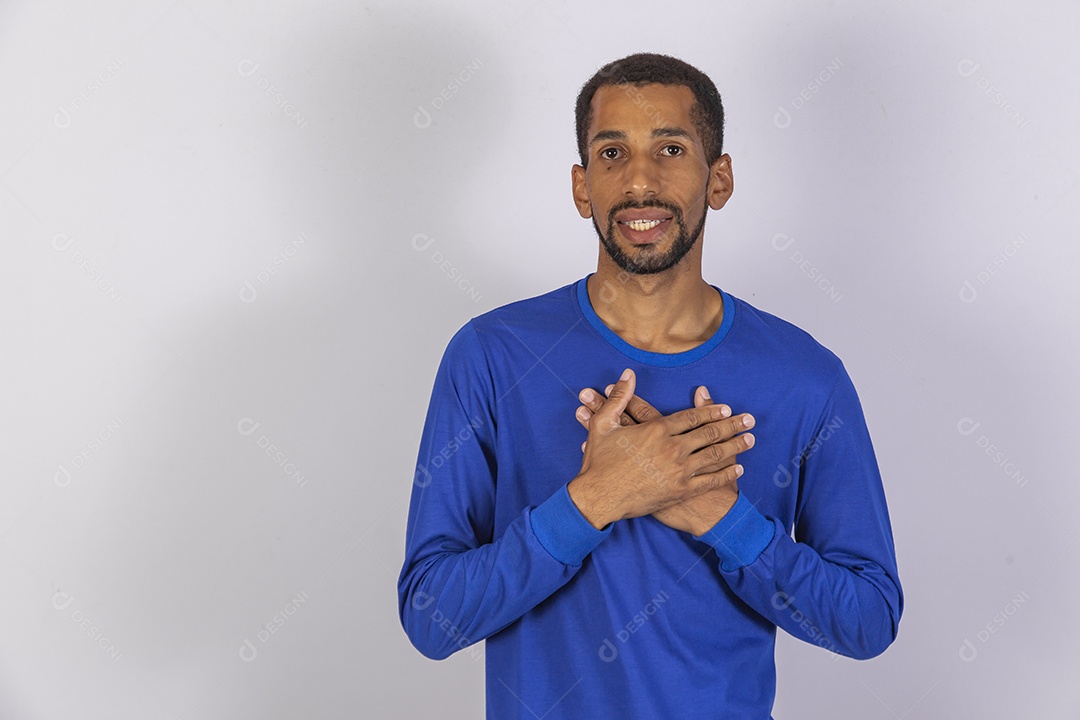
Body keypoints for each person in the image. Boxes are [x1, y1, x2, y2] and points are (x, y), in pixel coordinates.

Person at [397, 52, 903, 719]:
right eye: (612, 153)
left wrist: (721, 518)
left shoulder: (806, 378)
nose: (640, 180)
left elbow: (868, 620)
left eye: (670, 148)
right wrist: (594, 499)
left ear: (717, 179)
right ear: (582, 188)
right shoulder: (491, 355)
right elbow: (433, 619)